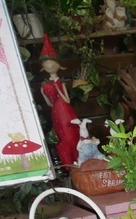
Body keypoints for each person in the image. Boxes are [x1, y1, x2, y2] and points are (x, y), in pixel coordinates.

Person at [38, 36, 80, 168]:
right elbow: (50, 104)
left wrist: (59, 88)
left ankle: (78, 158)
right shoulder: (47, 84)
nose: (49, 67)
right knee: (61, 136)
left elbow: (67, 100)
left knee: (71, 134)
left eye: (52, 64)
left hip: (65, 110)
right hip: (57, 113)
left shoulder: (60, 82)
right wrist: (43, 94)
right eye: (46, 65)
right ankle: (68, 163)